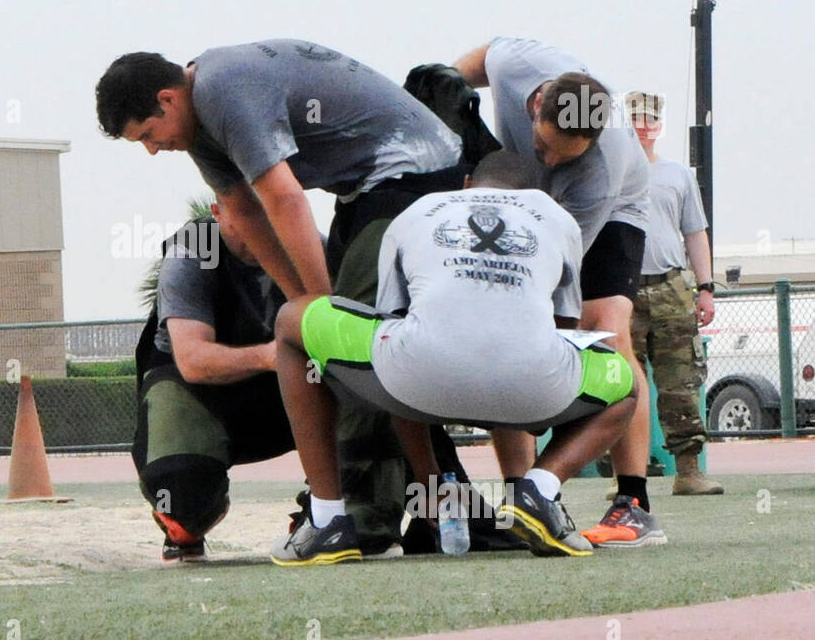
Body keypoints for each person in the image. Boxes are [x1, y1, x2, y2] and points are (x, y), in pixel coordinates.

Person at [99, 40, 486, 555]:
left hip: (415, 171)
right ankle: (410, 506)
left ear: (168, 99)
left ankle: (362, 520)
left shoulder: (221, 90)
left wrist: (324, 311)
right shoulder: (202, 134)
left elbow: (284, 197)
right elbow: (253, 216)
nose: (151, 149)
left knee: (357, 344)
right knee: (342, 335)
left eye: (148, 134)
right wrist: (305, 300)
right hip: (366, 188)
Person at [269, 152, 637, 564]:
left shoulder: (420, 209)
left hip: (417, 381)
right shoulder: (554, 216)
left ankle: (326, 521)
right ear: (535, 194)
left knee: (291, 323)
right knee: (626, 386)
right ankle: (540, 489)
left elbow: (400, 328)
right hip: (531, 391)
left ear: (465, 185)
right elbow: (564, 329)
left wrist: (428, 481)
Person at [453, 36, 664, 548]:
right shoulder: (519, 64)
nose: (549, 161)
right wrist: (445, 101)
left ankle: (632, 503)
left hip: (611, 213)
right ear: (535, 106)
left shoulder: (599, 168)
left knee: (608, 329)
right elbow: (473, 62)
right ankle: (518, 501)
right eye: (543, 147)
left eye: (562, 158)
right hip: (520, 194)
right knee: (510, 331)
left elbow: (560, 272)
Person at [132, 200, 301, 561]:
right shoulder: (194, 250)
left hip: (288, 391)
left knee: (375, 391)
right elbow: (193, 362)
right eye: (246, 215)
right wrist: (274, 356)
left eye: (270, 212)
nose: (260, 229)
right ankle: (187, 517)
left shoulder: (309, 245)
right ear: (218, 212)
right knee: (181, 492)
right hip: (203, 392)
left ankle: (342, 513)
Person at [624, 91, 722, 496]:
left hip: (670, 287)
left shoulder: (678, 175)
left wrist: (706, 288)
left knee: (680, 381)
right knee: (622, 385)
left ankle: (688, 470)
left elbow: (695, 233)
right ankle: (628, 475)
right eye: (634, 117)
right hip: (621, 290)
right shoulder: (606, 172)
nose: (641, 125)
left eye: (648, 118)